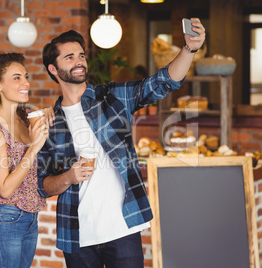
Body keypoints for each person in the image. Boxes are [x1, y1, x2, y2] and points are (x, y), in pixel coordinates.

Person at [37, 19, 206, 267]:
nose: (79, 61)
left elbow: (162, 82)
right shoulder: (49, 123)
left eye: (81, 55)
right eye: (70, 57)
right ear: (53, 69)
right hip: (77, 235)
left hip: (122, 227)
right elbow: (43, 186)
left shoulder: (112, 97)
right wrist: (68, 178)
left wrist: (189, 49)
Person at [0, 53, 52, 268]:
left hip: (29, 218)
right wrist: (34, 148)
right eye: (17, 78)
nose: (26, 82)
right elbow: (5, 189)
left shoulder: (23, 118)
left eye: (25, 76)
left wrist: (52, 117)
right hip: (5, 220)